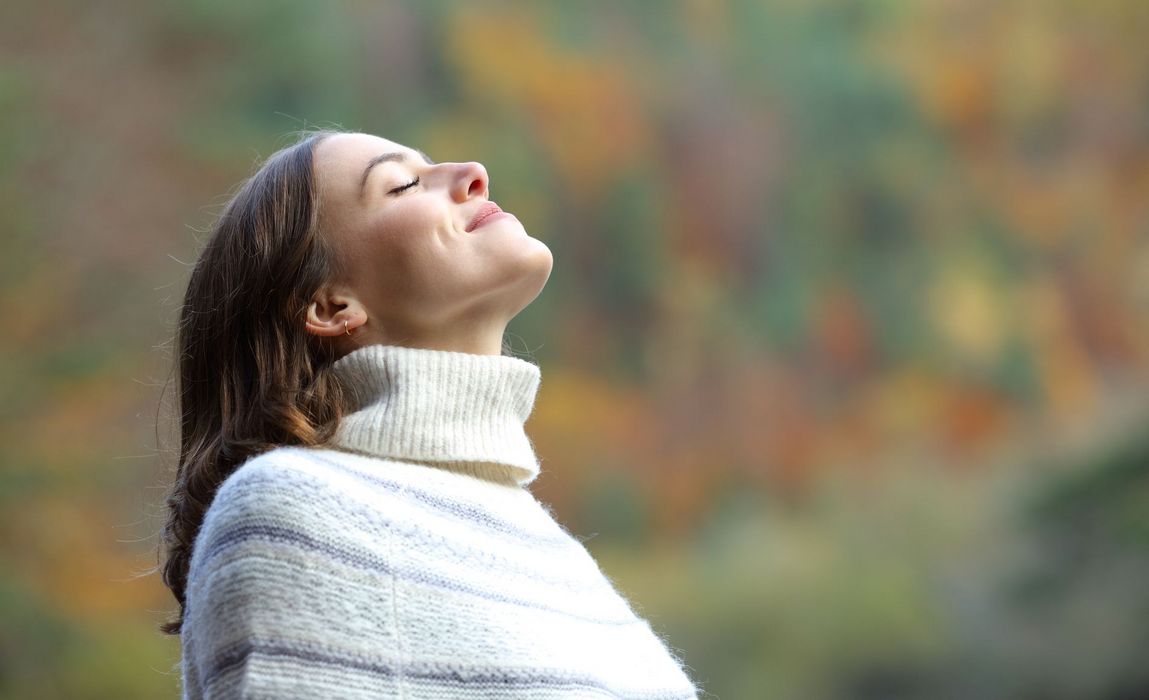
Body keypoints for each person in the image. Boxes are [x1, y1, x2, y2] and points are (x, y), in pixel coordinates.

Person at [158, 129, 701, 699]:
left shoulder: (559, 559)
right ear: (330, 305)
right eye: (404, 184)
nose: (472, 172)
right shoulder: (295, 509)